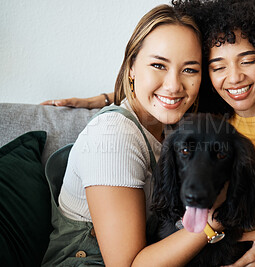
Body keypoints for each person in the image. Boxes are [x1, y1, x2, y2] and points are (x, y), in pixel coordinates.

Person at [42, 0, 255, 266]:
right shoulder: (213, 125)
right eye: (217, 66)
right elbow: (158, 95)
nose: (233, 77)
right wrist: (107, 101)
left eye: (248, 60)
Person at [41, 4, 224, 267]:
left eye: (189, 70)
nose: (174, 85)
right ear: (131, 67)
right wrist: (216, 218)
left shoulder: (173, 124)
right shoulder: (113, 136)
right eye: (158, 65)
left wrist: (106, 97)